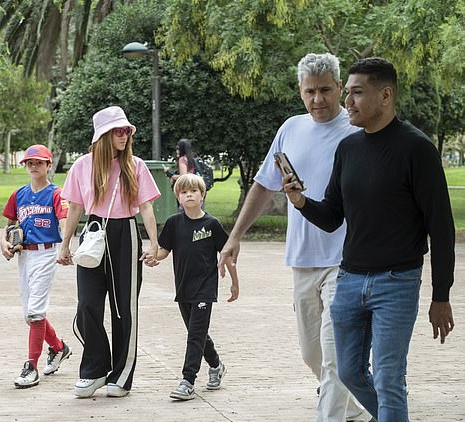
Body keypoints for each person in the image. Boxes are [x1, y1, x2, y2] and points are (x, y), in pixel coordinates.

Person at [282, 57, 455, 421]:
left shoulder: (417, 149)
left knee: (390, 379)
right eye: (348, 93)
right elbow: (331, 216)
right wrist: (299, 201)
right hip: (349, 279)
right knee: (348, 372)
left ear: (386, 95)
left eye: (358, 93)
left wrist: (441, 297)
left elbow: (441, 228)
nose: (348, 103)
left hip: (397, 282)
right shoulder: (349, 148)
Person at [219, 53, 371, 421]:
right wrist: (235, 236)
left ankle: (331, 415)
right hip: (302, 260)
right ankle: (359, 408)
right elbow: (264, 185)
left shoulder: (357, 133)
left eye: (324, 90)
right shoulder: (290, 128)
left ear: (339, 88)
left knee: (335, 356)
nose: (317, 99)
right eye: (309, 92)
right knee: (311, 354)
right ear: (300, 92)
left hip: (345, 261)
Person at [57, 105, 160, 398]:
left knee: (123, 308)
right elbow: (75, 206)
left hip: (124, 233)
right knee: (87, 305)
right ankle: (94, 370)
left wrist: (154, 243)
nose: (125, 135)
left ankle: (122, 375)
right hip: (92, 233)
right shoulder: (81, 166)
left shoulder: (135, 165)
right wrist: (65, 244)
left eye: (127, 130)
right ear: (103, 135)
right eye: (119, 130)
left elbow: (146, 207)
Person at [144, 173, 239, 401]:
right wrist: (152, 256)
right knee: (198, 333)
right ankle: (216, 365)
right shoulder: (174, 224)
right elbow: (164, 251)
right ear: (178, 197)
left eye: (193, 191)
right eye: (184, 192)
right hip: (183, 288)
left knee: (194, 336)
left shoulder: (212, 224)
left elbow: (226, 255)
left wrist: (235, 283)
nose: (189, 195)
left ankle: (188, 380)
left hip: (205, 289)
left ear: (202, 194)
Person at [0, 144, 72, 389]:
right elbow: (10, 224)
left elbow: (64, 219)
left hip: (46, 253)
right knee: (31, 315)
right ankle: (59, 348)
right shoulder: (19, 194)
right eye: (30, 162)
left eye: (39, 162)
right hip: (25, 256)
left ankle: (32, 366)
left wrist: (65, 246)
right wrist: (3, 242)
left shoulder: (56, 193)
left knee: (35, 312)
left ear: (49, 165)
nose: (33, 166)